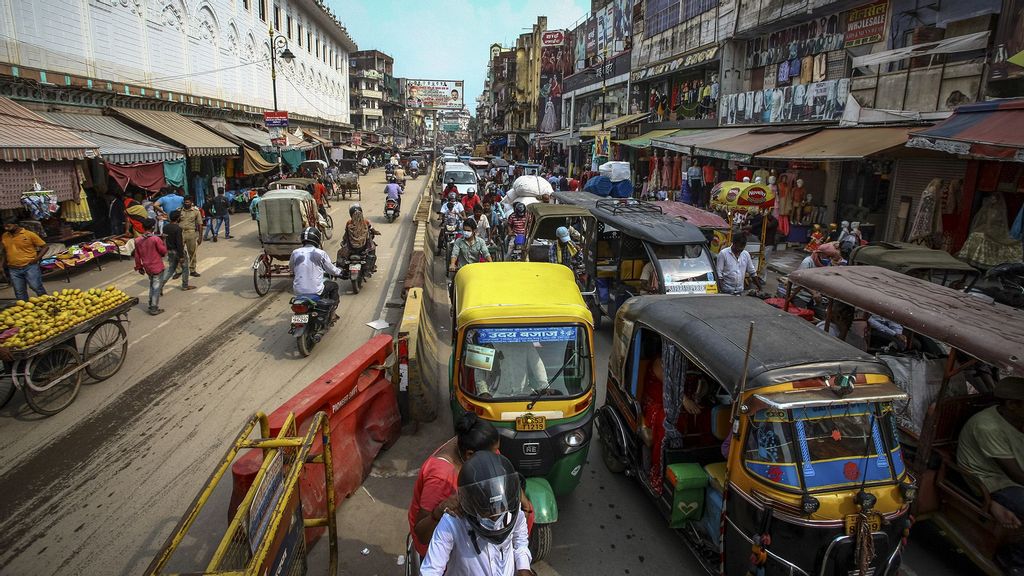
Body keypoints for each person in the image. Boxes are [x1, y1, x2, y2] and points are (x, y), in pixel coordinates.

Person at [420, 451, 533, 576]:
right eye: (486, 510)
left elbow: (520, 541)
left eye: (500, 508)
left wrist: (523, 567)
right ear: (472, 502)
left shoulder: (514, 514)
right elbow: (431, 570)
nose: (495, 516)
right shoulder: (452, 522)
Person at [409, 413, 501, 559]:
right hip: (435, 543)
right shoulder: (441, 478)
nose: (496, 456)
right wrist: (438, 511)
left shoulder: (465, 440)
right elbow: (422, 533)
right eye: (493, 454)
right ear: (469, 455)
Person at [958, 377, 1024, 572]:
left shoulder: (1016, 419)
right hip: (993, 481)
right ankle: (1015, 563)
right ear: (1012, 405)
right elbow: (1016, 475)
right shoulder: (988, 426)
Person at [290, 226, 343, 319]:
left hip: (298, 291)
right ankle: (332, 314)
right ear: (317, 239)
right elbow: (332, 270)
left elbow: (291, 268)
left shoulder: (295, 252)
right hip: (315, 290)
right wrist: (341, 273)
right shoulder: (320, 253)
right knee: (334, 286)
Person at [1, 215, 47, 302]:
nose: (6, 228)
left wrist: (37, 259)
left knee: (36, 287)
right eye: (5, 226)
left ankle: (47, 303)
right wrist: (1, 265)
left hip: (29, 266)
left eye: (8, 226)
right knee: (19, 292)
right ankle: (24, 309)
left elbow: (45, 246)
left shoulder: (29, 234)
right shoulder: (4, 236)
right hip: (13, 268)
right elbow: (4, 251)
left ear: (16, 225)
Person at [133, 218, 168, 316]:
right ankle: (153, 308)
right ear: (153, 227)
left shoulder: (138, 240)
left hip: (147, 267)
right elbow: (163, 252)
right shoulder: (155, 239)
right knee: (156, 288)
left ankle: (151, 304)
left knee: (152, 285)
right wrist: (164, 240)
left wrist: (139, 267)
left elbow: (137, 255)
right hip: (157, 266)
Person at [337, 204, 380, 275]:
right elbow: (372, 229)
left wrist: (344, 242)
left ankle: (340, 270)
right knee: (373, 248)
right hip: (364, 248)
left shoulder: (349, 223)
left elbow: (345, 235)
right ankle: (371, 267)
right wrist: (376, 232)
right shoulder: (365, 222)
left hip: (351, 248)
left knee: (340, 253)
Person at [162, 210, 195, 290]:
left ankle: (160, 285)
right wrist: (181, 256)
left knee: (171, 269)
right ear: (177, 218)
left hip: (169, 251)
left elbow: (164, 239)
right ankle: (185, 285)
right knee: (185, 268)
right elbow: (179, 243)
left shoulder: (165, 227)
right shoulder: (178, 228)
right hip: (177, 251)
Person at [178, 197, 203, 277]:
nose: (186, 203)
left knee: (192, 252)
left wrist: (200, 237)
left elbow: (200, 224)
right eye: (185, 202)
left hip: (191, 233)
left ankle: (192, 270)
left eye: (188, 202)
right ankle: (179, 271)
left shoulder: (196, 211)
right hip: (180, 233)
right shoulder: (179, 210)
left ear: (191, 202)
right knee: (179, 252)